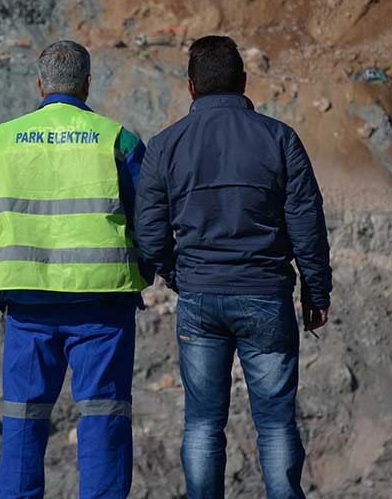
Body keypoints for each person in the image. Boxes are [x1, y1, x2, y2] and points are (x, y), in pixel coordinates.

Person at [135, 36, 331, 499]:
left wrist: (179, 276)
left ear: (190, 87)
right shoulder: (280, 139)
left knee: (202, 424)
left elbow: (148, 232)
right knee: (276, 424)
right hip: (265, 296)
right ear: (243, 82)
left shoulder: (165, 146)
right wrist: (316, 293)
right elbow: (307, 223)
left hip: (200, 298)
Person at [0, 40, 149, 499]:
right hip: (103, 306)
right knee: (103, 416)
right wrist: (139, 269)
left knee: (24, 420)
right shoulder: (118, 139)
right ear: (88, 84)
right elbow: (150, 217)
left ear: (40, 84)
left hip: (27, 305)